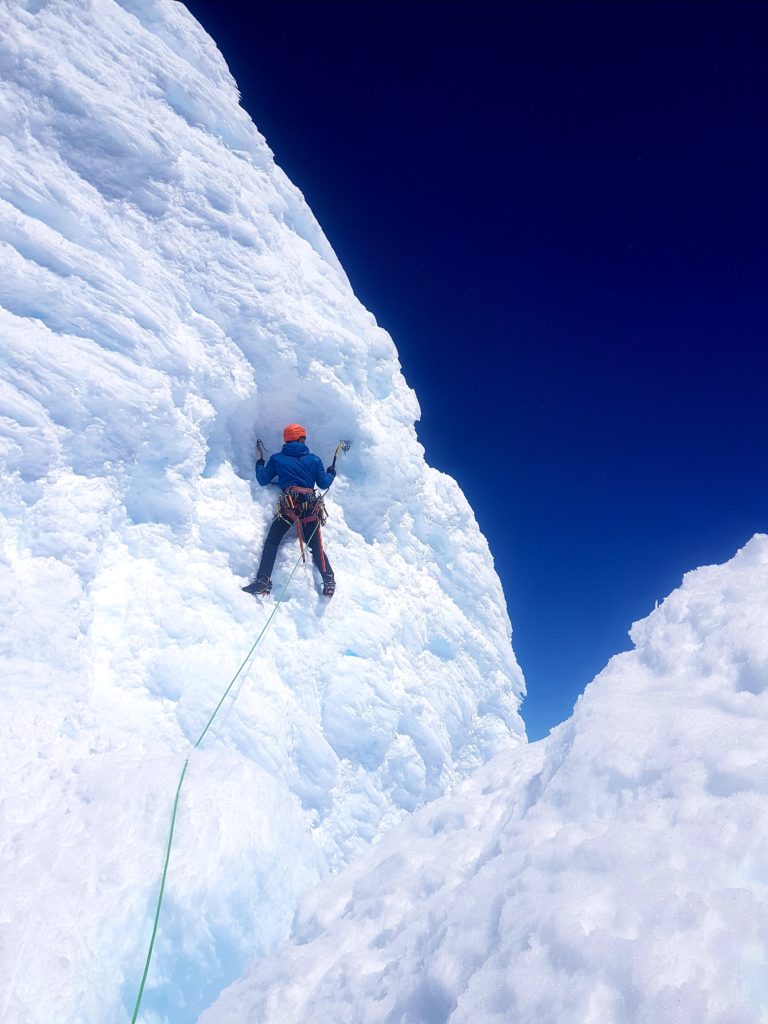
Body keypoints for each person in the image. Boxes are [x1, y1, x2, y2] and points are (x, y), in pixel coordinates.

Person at [243, 424, 337, 598]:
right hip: (310, 507)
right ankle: (328, 578)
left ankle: (263, 579)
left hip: (290, 506)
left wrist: (260, 463)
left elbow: (263, 480)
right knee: (315, 545)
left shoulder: (277, 459)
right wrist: (331, 473)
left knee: (273, 541)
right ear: (302, 439)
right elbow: (324, 483)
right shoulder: (314, 460)